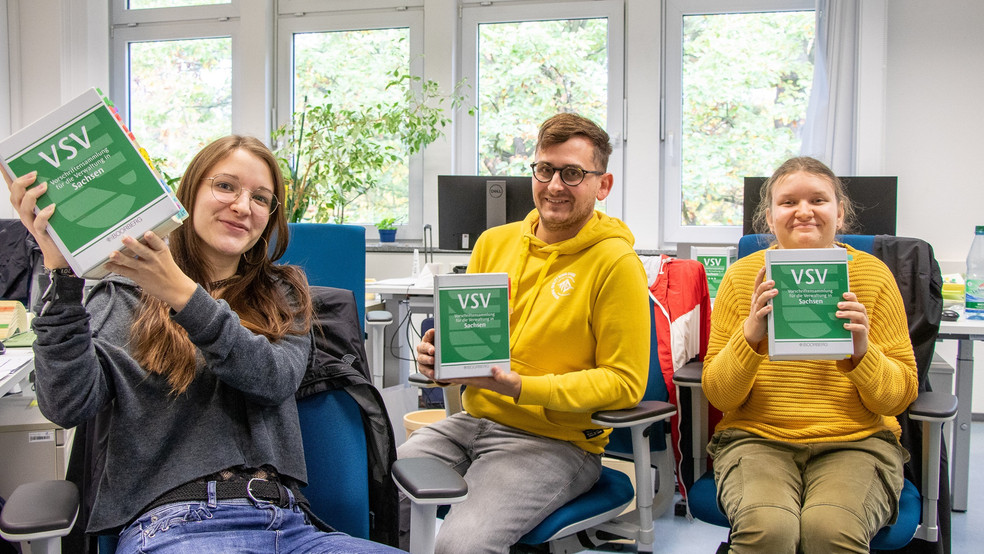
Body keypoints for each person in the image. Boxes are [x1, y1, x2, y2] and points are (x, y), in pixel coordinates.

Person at [7, 135, 400, 553]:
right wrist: (62, 277)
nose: (243, 206)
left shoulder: (282, 293)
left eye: (261, 198)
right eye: (226, 186)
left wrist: (184, 297)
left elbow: (272, 380)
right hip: (172, 525)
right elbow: (67, 405)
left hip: (288, 525)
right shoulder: (124, 291)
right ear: (189, 194)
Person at [401, 113, 651, 553]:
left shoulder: (616, 264)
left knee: (460, 546)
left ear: (603, 184)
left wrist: (523, 387)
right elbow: (474, 351)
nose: (554, 185)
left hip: (555, 444)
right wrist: (444, 361)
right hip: (472, 421)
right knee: (364, 491)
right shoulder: (493, 243)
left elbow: (624, 383)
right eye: (545, 169)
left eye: (572, 173)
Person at [702, 156, 918, 553]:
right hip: (758, 439)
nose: (804, 212)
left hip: (858, 440)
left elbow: (898, 398)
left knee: (830, 531)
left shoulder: (872, 275)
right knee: (769, 530)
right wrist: (750, 336)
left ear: (841, 212)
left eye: (818, 200)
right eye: (788, 202)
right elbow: (721, 396)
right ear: (769, 217)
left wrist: (862, 352)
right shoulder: (741, 277)